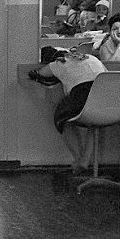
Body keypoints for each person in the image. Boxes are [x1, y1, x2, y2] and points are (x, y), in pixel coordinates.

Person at [29, 46, 107, 174]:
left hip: (82, 99)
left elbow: (38, 73)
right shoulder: (92, 58)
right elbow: (106, 75)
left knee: (62, 121)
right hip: (106, 104)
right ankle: (85, 160)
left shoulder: (59, 63)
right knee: (93, 123)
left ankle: (79, 159)